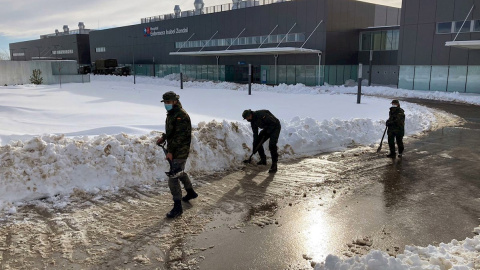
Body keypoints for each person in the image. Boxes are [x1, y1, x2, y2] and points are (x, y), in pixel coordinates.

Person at [156, 91, 198, 218]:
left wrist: (170, 151)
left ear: (175, 101)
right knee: (178, 172)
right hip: (176, 149)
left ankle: (177, 207)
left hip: (180, 150)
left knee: (173, 178)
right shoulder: (172, 113)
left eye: (168, 102)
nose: (166, 104)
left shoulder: (180, 115)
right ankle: (190, 192)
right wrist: (164, 137)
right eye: (165, 102)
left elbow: (179, 137)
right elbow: (172, 131)